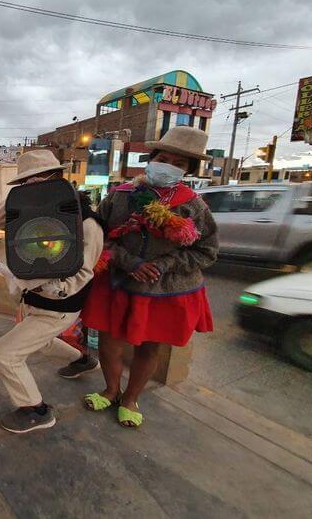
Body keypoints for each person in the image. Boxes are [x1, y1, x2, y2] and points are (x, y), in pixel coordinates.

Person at [81, 126, 218, 428]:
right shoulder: (119, 196)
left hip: (164, 291)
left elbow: (206, 252)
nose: (168, 166)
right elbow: (96, 235)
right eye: (164, 158)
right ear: (151, 158)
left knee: (149, 346)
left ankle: (130, 399)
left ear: (188, 170)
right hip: (119, 282)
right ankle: (110, 390)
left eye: (179, 163)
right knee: (109, 341)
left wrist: (164, 265)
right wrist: (129, 262)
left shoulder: (193, 206)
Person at [0, 150, 104, 434]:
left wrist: (54, 289)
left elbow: (84, 272)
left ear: (59, 179)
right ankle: (82, 360)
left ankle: (35, 410)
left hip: (58, 306)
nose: (33, 186)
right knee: (40, 342)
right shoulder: (27, 216)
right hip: (32, 299)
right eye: (26, 182)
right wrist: (21, 193)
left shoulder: (86, 223)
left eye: (40, 179)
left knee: (4, 353)